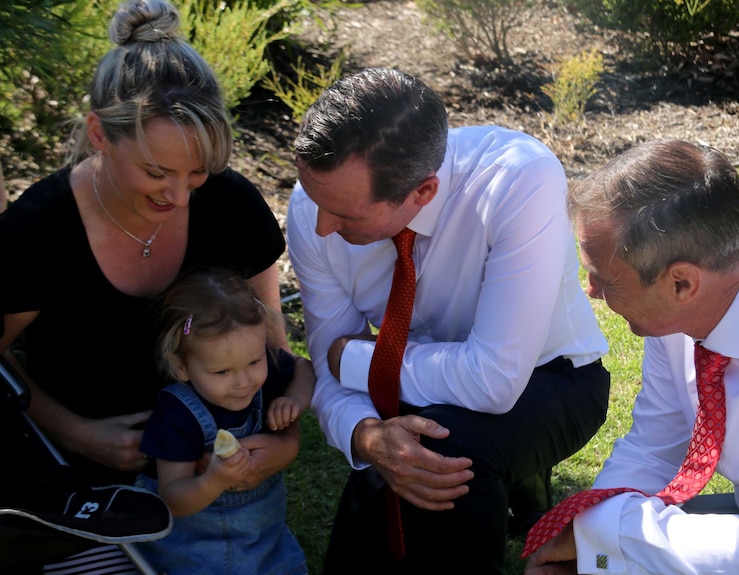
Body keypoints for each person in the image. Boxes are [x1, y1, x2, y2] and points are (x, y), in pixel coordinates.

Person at [0, 0, 300, 570]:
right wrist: (78, 432)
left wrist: (282, 431)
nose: (180, 197)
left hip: (219, 478)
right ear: (98, 135)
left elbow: (271, 333)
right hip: (89, 486)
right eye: (156, 173)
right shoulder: (39, 228)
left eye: (196, 172)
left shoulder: (231, 203)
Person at [286, 67, 611, 574]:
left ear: (423, 192)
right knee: (400, 459)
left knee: (441, 454)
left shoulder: (519, 178)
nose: (323, 226)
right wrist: (366, 435)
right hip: (418, 388)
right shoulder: (316, 205)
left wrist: (355, 359)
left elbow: (494, 382)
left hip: (552, 378)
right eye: (316, 201)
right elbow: (330, 380)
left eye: (347, 216)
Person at [524, 138, 739, 575]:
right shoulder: (694, 301)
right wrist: (590, 538)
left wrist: (609, 532)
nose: (591, 290)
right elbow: (653, 447)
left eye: (605, 278)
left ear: (681, 283)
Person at [135, 267, 313, 575]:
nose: (244, 382)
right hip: (194, 553)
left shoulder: (264, 372)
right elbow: (172, 497)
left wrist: (294, 399)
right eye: (221, 373)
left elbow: (304, 368)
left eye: (254, 362)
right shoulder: (178, 416)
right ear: (181, 367)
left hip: (265, 541)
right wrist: (212, 482)